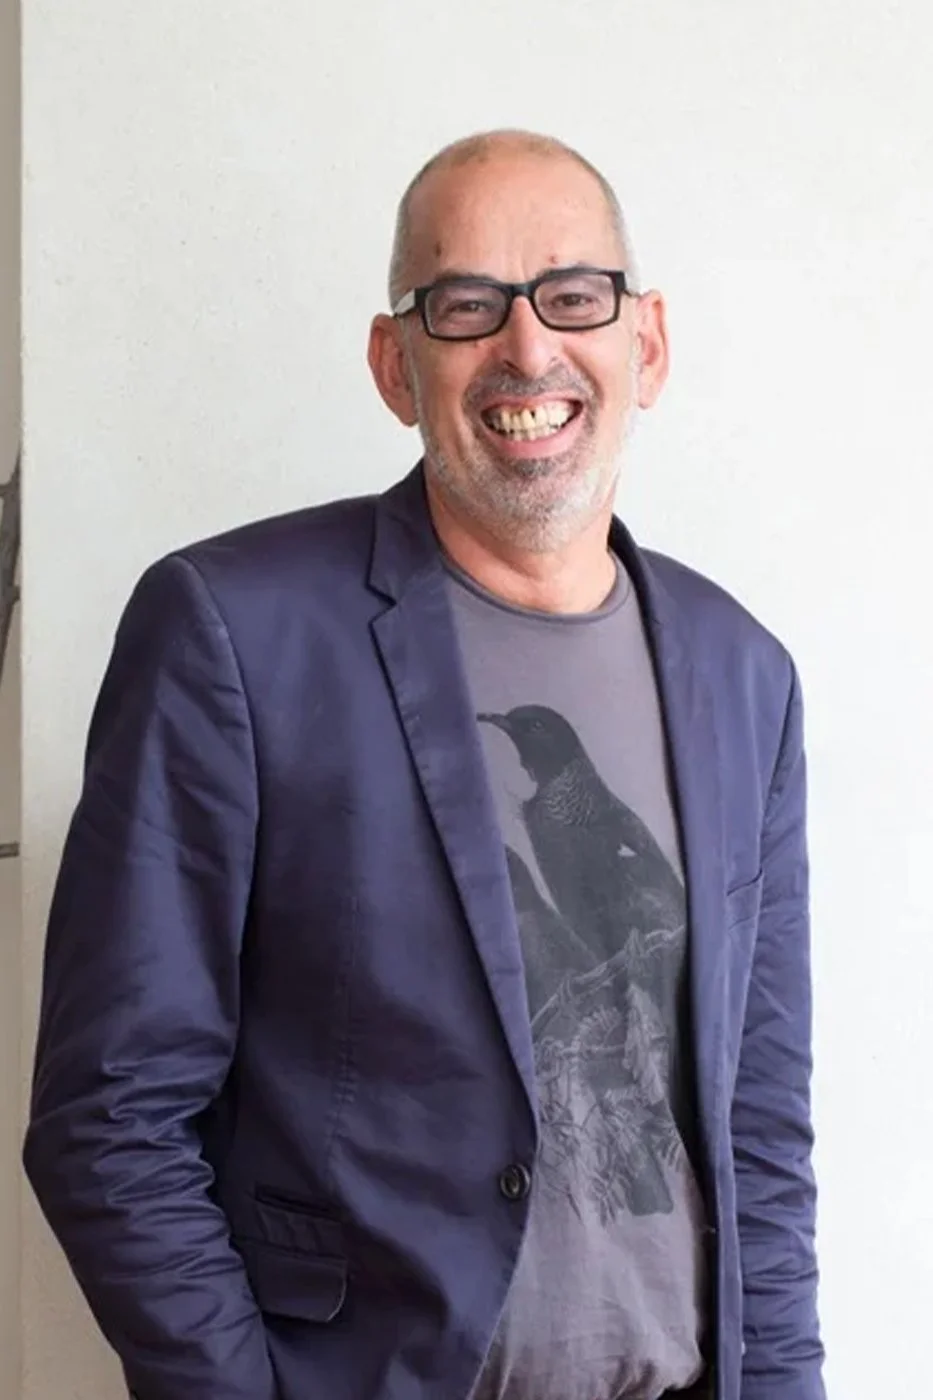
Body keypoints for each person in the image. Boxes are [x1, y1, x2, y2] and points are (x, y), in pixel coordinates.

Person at [23, 130, 824, 1400]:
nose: (527, 346)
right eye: (465, 305)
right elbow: (109, 1116)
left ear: (646, 343)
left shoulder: (744, 675)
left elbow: (760, 1131)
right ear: (396, 364)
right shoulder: (231, 631)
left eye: (574, 295)